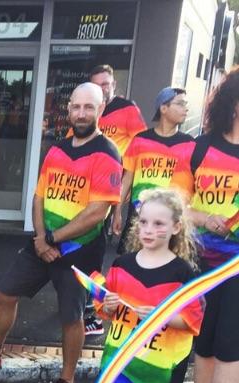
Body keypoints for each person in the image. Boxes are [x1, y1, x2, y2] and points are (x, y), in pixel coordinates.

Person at [0, 83, 122, 383]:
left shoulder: (108, 153)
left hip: (79, 251)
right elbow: (39, 196)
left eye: (89, 107)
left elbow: (97, 213)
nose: (81, 113)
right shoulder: (57, 149)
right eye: (76, 107)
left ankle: (67, 381)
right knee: (5, 292)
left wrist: (52, 239)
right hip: (43, 243)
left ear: (101, 109)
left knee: (71, 316)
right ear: (68, 109)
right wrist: (40, 238)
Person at [165, 67, 239, 383]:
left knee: (230, 349)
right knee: (204, 346)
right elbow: (176, 204)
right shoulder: (199, 148)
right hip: (200, 265)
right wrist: (205, 218)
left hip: (236, 272)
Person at [96, 188, 202, 383]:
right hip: (119, 362)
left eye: (158, 224)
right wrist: (107, 305)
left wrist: (160, 315)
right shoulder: (122, 264)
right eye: (143, 222)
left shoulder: (182, 273)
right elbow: (106, 308)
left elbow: (193, 319)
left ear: (176, 227)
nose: (148, 229)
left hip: (153, 368)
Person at [83, 64, 148, 335]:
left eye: (106, 83)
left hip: (114, 188)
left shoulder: (127, 109)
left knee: (101, 248)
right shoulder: (88, 111)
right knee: (88, 245)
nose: (102, 88)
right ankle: (87, 303)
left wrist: (122, 201)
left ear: (113, 85)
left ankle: (95, 311)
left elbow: (140, 147)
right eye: (97, 84)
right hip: (88, 187)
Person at [112, 88, 194, 255]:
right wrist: (117, 211)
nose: (186, 109)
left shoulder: (191, 145)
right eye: (180, 104)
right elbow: (127, 179)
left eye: (186, 104)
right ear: (163, 108)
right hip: (138, 219)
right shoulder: (140, 140)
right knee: (130, 262)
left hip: (172, 224)